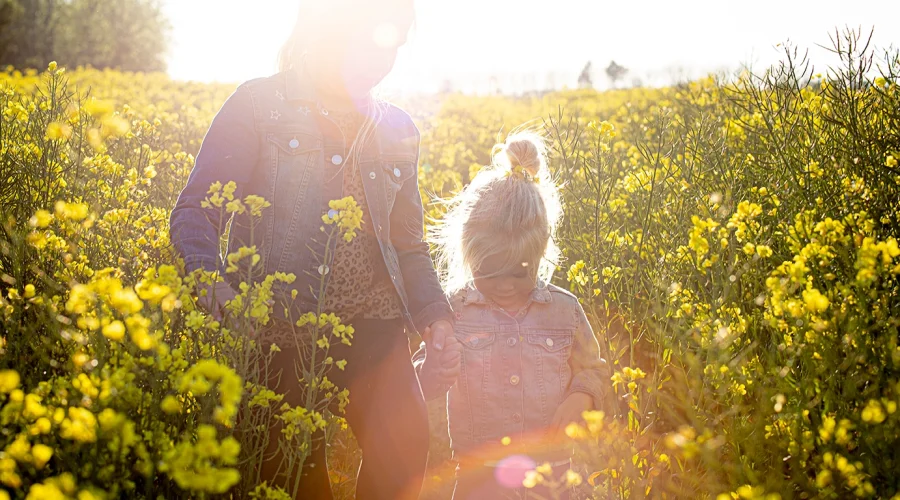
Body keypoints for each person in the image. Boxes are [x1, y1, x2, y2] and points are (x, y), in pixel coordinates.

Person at [168, 1, 458, 498]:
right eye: (369, 42)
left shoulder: (398, 127)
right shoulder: (259, 107)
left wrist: (438, 318)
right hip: (282, 326)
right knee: (290, 478)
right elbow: (194, 211)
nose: (381, 59)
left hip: (377, 327)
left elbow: (409, 245)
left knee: (404, 457)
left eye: (394, 45)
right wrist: (213, 287)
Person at [414, 132, 608, 499]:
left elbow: (594, 369)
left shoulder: (564, 311)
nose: (504, 285)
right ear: (470, 257)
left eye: (518, 273)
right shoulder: (453, 311)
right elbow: (419, 378)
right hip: (479, 479)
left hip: (553, 476)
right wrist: (432, 371)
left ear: (540, 253)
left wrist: (580, 398)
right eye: (489, 273)